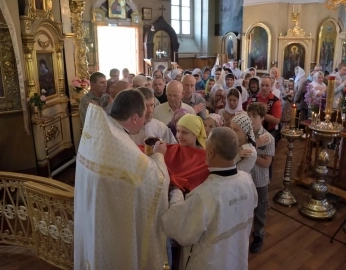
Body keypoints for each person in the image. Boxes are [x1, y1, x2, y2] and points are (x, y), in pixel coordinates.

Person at [74, 89, 170, 270]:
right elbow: (157, 181)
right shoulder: (122, 147)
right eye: (143, 117)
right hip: (112, 233)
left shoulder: (100, 132)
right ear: (134, 118)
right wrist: (159, 157)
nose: (143, 123)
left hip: (93, 221)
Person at [161, 127, 257, 270]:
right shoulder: (248, 181)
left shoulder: (203, 195)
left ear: (211, 152)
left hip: (209, 262)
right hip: (237, 257)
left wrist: (176, 191)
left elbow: (177, 228)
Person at [247, 102, 275, 253]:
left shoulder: (268, 138)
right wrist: (253, 147)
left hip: (259, 180)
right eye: (249, 116)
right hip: (245, 178)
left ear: (262, 118)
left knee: (260, 211)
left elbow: (266, 163)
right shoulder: (245, 134)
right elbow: (238, 152)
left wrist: (250, 151)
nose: (251, 119)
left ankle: (258, 235)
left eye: (254, 116)